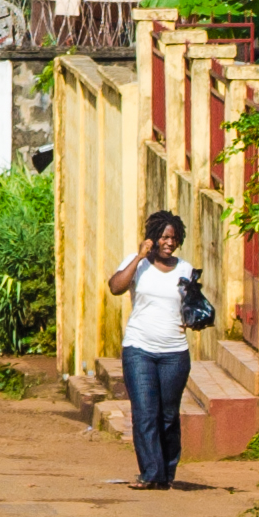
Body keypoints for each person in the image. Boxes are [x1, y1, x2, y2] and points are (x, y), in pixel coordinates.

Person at [106, 209, 200, 490]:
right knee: (145, 412)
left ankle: (166, 473)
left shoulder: (186, 270)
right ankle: (150, 473)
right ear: (153, 238)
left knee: (168, 415)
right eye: (164, 237)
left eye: (174, 238)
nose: (169, 243)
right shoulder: (139, 266)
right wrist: (139, 257)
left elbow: (193, 307)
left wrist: (196, 317)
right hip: (139, 349)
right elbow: (116, 287)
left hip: (174, 353)